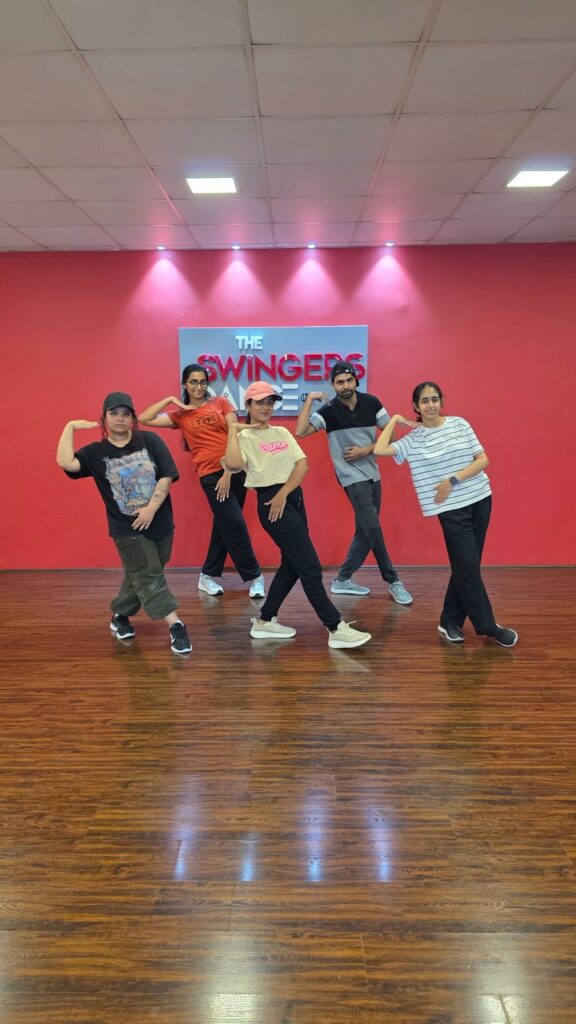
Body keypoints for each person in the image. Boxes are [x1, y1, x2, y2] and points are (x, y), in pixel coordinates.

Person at [223, 382, 371, 649]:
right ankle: (335, 626)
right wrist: (233, 430)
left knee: (292, 565)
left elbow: (302, 465)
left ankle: (265, 620)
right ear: (248, 405)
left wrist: (284, 493)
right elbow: (233, 464)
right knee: (309, 566)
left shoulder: (281, 431)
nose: (266, 407)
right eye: (260, 402)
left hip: (291, 498)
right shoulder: (243, 439)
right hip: (271, 502)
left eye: (270, 402)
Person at [373, 381, 518, 647]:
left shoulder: (459, 424)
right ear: (416, 406)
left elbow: (482, 460)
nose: (430, 405)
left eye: (434, 399)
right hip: (451, 510)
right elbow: (379, 449)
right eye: (424, 401)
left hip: (481, 498)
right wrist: (395, 420)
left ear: (441, 402)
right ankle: (488, 627)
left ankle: (449, 621)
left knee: (466, 566)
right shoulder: (414, 440)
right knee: (467, 566)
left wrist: (452, 480)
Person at [56, 392, 192, 655]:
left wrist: (150, 510)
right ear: (104, 418)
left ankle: (120, 615)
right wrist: (70, 426)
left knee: (142, 571)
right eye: (114, 414)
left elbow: (166, 475)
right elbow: (66, 463)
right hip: (126, 528)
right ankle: (176, 625)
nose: (120, 418)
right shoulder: (97, 453)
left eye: (125, 414)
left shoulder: (149, 440)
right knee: (149, 573)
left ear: (133, 418)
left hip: (160, 521)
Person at [139, 364, 265, 599]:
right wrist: (171, 400)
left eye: (202, 381)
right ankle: (255, 576)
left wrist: (228, 471)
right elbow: (144, 418)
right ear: (185, 384)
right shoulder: (180, 415)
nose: (198, 386)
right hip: (209, 475)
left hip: (235, 470)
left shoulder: (221, 403)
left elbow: (235, 435)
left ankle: (207, 575)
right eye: (193, 382)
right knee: (234, 524)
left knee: (224, 525)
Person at [296, 361, 413, 604]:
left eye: (349, 380)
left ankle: (342, 580)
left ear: (356, 381)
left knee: (365, 530)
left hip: (373, 473)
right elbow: (301, 431)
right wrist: (310, 400)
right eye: (340, 382)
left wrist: (366, 450)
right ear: (333, 385)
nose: (345, 385)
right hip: (350, 477)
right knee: (373, 528)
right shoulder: (328, 411)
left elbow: (391, 435)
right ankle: (393, 580)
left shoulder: (372, 403)